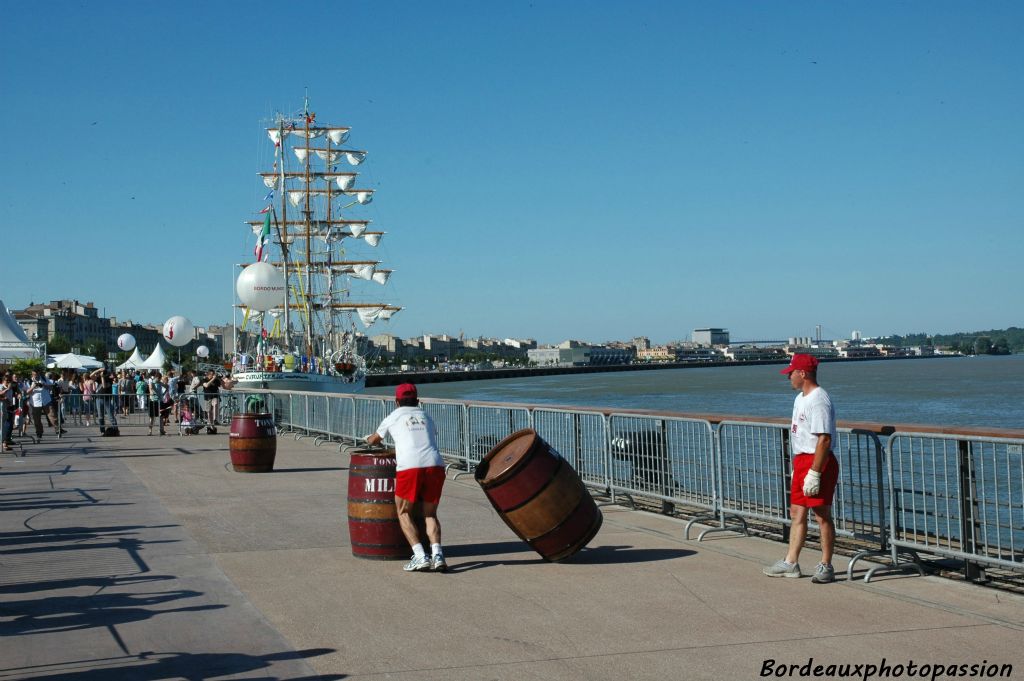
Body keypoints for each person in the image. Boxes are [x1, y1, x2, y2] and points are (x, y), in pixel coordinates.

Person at [763, 353, 839, 584]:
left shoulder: (819, 400)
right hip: (802, 460)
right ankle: (791, 562)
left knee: (821, 514)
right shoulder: (800, 399)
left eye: (791, 373)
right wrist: (799, 467)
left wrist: (815, 473)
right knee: (797, 512)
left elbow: (824, 439)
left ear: (802, 373)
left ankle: (826, 565)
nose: (789, 378)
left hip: (818, 460)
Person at [365, 383, 447, 573]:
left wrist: (368, 439)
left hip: (410, 467)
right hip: (435, 464)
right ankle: (438, 554)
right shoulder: (426, 416)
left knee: (403, 512)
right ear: (417, 401)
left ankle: (420, 556)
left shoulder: (393, 417)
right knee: (430, 514)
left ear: (396, 402)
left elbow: (375, 439)